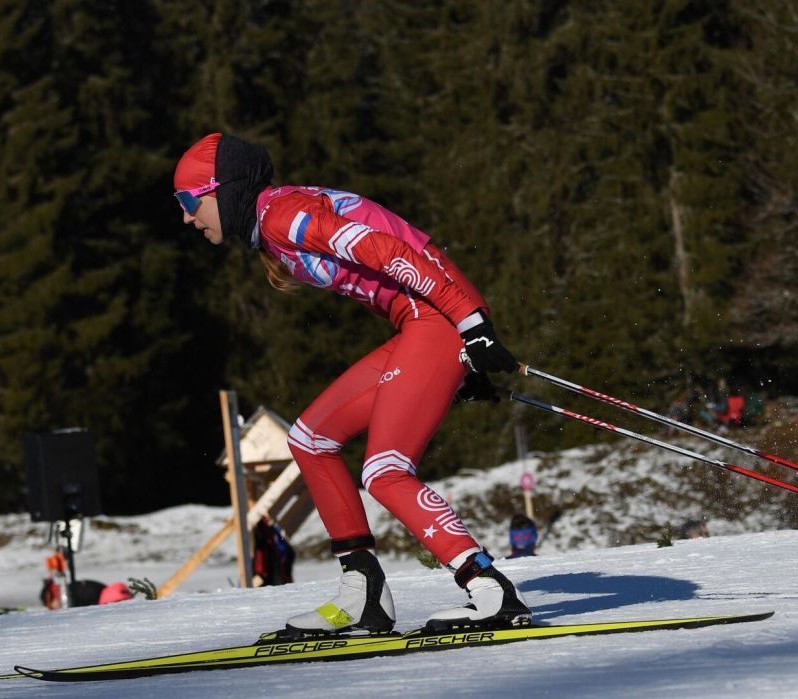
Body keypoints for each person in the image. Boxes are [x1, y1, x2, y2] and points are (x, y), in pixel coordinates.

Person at [173, 133, 531, 635]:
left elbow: (386, 250)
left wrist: (470, 324)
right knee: (310, 439)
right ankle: (363, 592)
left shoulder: (284, 216)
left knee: (384, 470)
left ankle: (490, 589)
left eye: (190, 202)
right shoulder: (273, 223)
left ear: (223, 189)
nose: (188, 218)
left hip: (436, 314)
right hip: (420, 322)